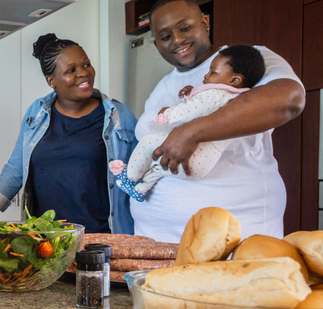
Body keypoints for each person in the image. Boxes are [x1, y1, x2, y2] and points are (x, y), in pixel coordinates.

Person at [131, 0, 305, 243]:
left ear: (205, 22)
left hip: (233, 240)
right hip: (154, 241)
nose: (177, 40)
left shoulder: (245, 59)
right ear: (157, 44)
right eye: (165, 36)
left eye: (185, 27)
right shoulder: (160, 88)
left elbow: (288, 100)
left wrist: (191, 131)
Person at [0, 33, 138, 234]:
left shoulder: (118, 116)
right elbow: (15, 171)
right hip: (45, 243)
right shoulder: (37, 113)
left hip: (101, 242)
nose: (84, 73)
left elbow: (140, 176)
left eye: (86, 64)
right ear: (51, 81)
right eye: (71, 70)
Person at [110, 45, 266, 202]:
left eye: (213, 72)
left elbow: (190, 111)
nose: (206, 75)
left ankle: (130, 176)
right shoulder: (233, 99)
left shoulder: (216, 94)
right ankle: (141, 188)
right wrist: (193, 93)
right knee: (159, 168)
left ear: (234, 80)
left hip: (193, 155)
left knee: (148, 142)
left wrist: (167, 114)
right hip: (202, 163)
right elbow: (203, 109)